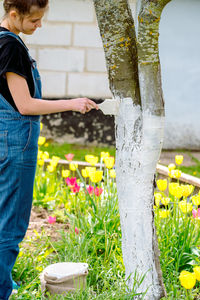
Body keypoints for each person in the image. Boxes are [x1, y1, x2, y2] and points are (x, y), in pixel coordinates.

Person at [0, 1, 98, 299]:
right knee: (11, 220)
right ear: (13, 14)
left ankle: (4, 281)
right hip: (17, 139)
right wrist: (73, 102)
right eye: (34, 20)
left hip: (6, 136)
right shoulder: (11, 47)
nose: (38, 26)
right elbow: (25, 104)